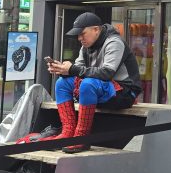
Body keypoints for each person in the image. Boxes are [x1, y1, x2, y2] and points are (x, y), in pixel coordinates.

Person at [47, 13, 142, 152]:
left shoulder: (114, 42)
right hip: (101, 88)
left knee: (88, 84)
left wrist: (73, 69)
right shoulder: (86, 46)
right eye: (78, 35)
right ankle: (68, 132)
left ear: (96, 29)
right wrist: (63, 70)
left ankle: (82, 138)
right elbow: (79, 71)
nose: (80, 38)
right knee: (62, 83)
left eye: (82, 34)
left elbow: (106, 73)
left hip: (125, 92)